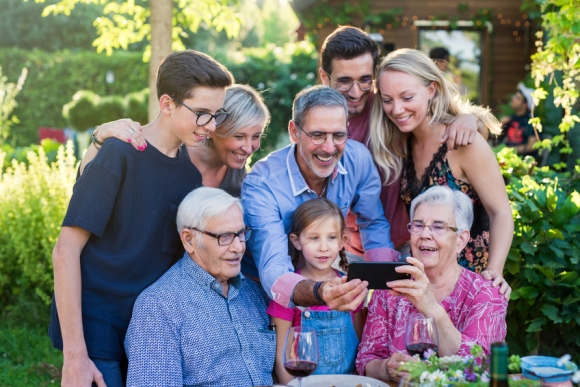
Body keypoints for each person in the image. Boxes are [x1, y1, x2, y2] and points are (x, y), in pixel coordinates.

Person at [49, 50, 233, 387]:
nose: (212, 125)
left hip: (150, 337)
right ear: (167, 104)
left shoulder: (189, 177)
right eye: (202, 114)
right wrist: (76, 355)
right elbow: (64, 251)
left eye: (217, 114)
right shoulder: (118, 154)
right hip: (97, 333)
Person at [318, 26, 484, 261]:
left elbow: (437, 117)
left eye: (365, 80)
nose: (356, 92)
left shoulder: (389, 108)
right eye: (344, 81)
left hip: (407, 245)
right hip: (345, 249)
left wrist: (472, 120)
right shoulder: (317, 122)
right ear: (325, 77)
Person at [369, 48, 513, 298]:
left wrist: (494, 274)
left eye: (407, 97)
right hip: (425, 288)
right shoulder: (402, 145)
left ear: (431, 90)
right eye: (387, 99)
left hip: (469, 288)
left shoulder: (462, 143)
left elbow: (500, 212)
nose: (396, 109)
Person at [242, 85, 397, 312]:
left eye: (338, 135)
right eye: (317, 135)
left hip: (324, 279)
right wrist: (320, 291)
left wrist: (385, 286)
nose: (329, 147)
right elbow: (274, 268)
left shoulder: (358, 160)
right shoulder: (262, 183)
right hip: (263, 290)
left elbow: (372, 223)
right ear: (294, 132)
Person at [124, 187, 275, 387]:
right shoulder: (158, 307)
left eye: (240, 234)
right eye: (225, 237)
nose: (238, 247)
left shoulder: (255, 294)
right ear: (189, 240)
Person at [356, 186, 508, 382]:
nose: (425, 234)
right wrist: (385, 368)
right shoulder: (390, 289)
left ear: (461, 240)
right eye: (418, 225)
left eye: (438, 227)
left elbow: (478, 370)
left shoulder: (486, 294)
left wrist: (431, 308)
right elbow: (366, 360)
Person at [79, 84, 269, 197]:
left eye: (256, 136)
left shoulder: (238, 172)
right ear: (214, 126)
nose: (248, 147)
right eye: (238, 136)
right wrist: (99, 137)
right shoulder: (173, 153)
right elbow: (86, 186)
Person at [268, 199, 364, 383]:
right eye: (314, 238)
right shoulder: (287, 290)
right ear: (296, 241)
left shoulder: (350, 285)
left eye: (331, 237)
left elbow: (360, 344)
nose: (323, 247)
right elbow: (281, 359)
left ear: (342, 240)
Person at [501, 82, 537, 157]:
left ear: (525, 105)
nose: (513, 99)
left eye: (517, 98)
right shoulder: (510, 119)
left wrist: (510, 150)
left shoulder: (532, 122)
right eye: (514, 96)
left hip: (521, 161)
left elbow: (532, 146)